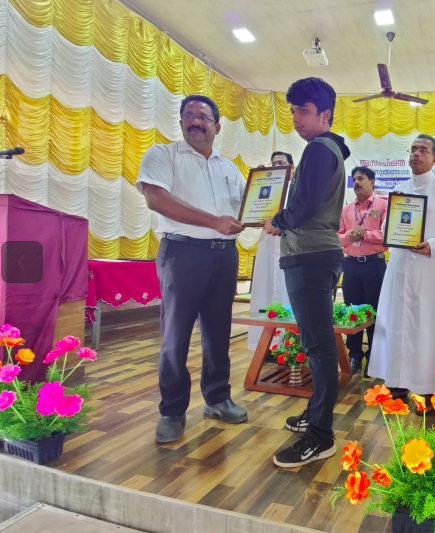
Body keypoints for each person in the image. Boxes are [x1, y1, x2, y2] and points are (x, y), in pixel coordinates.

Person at [137, 95, 249, 444]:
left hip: (224, 255)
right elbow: (156, 198)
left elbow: (248, 207)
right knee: (176, 335)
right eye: (189, 116)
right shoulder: (163, 155)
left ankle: (217, 399)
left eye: (203, 117)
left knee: (218, 332)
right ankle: (172, 411)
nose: (195, 121)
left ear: (217, 126)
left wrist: (270, 207)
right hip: (182, 254)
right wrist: (214, 222)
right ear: (182, 122)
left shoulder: (229, 168)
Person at [263, 78, 350, 467]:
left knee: (318, 346)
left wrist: (277, 221)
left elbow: (306, 204)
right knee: (318, 343)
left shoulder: (318, 148)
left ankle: (321, 436)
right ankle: (316, 415)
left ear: (325, 115)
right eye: (293, 111)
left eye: (304, 111)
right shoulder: (327, 148)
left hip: (311, 255)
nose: (297, 118)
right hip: (315, 255)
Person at [369, 134, 435, 414]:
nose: (416, 153)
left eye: (423, 150)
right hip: (399, 265)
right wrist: (392, 231)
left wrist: (434, 245)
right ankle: (397, 383)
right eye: (413, 149)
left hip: (431, 268)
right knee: (396, 323)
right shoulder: (399, 189)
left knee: (427, 326)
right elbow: (389, 228)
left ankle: (428, 388)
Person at [337, 166, 388, 377]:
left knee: (376, 311)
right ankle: (355, 354)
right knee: (352, 311)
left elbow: (388, 236)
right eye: (354, 179)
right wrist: (350, 235)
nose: (357, 182)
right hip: (350, 265)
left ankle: (374, 356)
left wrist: (364, 234)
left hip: (374, 265)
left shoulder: (384, 205)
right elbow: (337, 237)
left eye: (361, 178)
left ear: (372, 181)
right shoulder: (346, 210)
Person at [248, 152, 294, 351]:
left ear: (292, 168)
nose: (277, 166)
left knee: (287, 291)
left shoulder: (297, 190)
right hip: (267, 242)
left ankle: (289, 344)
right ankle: (265, 345)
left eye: (282, 163)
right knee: (265, 289)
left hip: (290, 244)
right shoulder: (265, 187)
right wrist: (255, 183)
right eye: (274, 163)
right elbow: (250, 212)